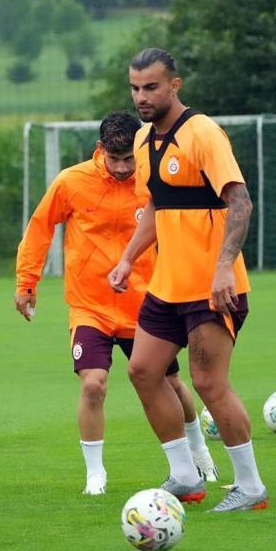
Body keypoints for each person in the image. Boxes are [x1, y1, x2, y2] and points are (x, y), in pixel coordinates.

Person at [15, 112, 218, 496]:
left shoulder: (153, 180)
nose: (123, 167)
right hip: (89, 306)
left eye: (129, 159)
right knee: (93, 384)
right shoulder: (71, 182)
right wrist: (27, 282)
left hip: (147, 305)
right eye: (115, 159)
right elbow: (40, 228)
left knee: (171, 383)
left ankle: (199, 451)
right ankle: (95, 476)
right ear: (100, 149)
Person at [108, 48, 267, 512]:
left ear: (174, 86)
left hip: (212, 288)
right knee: (142, 371)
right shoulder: (142, 139)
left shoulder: (202, 133)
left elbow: (240, 202)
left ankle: (251, 487)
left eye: (151, 87)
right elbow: (157, 206)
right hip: (167, 285)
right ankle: (184, 475)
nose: (141, 96)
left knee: (208, 383)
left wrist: (224, 267)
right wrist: (127, 258)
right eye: (135, 88)